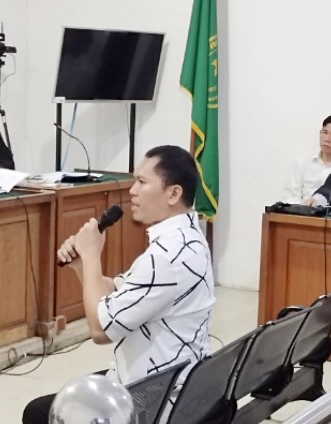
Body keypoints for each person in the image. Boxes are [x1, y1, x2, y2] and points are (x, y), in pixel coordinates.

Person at [22, 145, 216, 424]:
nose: (132, 191)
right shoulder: (188, 238)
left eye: (142, 182)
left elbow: (101, 331)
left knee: (39, 413)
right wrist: (82, 266)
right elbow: (116, 294)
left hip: (157, 399)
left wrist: (91, 255)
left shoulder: (167, 256)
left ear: (173, 194)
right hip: (176, 382)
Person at [281, 114, 331, 203]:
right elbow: (290, 197)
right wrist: (303, 207)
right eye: (325, 132)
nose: (327, 139)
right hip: (303, 209)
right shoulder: (304, 161)